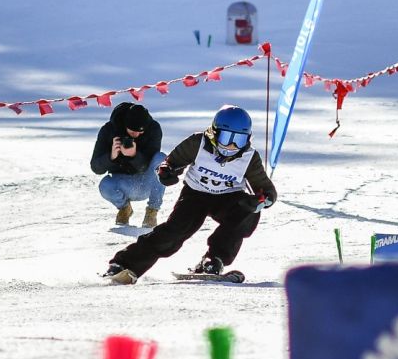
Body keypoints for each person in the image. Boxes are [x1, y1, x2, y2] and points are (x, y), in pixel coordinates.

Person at [104, 105, 277, 285]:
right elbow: (170, 162)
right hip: (195, 195)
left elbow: (267, 190)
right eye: (227, 138)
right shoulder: (198, 143)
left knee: (247, 213)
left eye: (239, 140)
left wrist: (261, 201)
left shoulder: (249, 157)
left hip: (228, 198)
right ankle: (124, 264)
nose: (231, 146)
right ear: (214, 133)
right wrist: (167, 172)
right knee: (174, 233)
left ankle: (213, 261)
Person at [91, 102, 166, 228]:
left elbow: (148, 165)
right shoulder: (108, 130)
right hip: (122, 184)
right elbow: (95, 168)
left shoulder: (153, 129)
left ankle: (152, 212)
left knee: (161, 158)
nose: (136, 135)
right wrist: (111, 157)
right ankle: (124, 208)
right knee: (105, 185)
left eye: (140, 132)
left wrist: (134, 156)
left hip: (146, 182)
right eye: (132, 131)